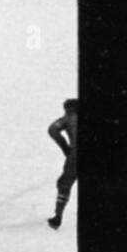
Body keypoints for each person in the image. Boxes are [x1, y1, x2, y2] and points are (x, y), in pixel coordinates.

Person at [47, 98, 78, 229]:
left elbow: (52, 129)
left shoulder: (69, 117)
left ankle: (58, 216)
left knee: (64, 184)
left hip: (76, 156)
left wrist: (65, 148)